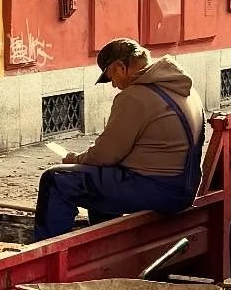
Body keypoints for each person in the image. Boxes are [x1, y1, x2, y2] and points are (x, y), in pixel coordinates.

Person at [33, 38, 206, 240]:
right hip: (185, 186)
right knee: (101, 177)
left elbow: (106, 155)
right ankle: (104, 244)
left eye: (110, 77)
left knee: (55, 180)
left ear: (121, 67)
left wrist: (75, 159)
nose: (114, 85)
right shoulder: (182, 87)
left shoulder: (135, 96)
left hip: (158, 189)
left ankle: (47, 253)